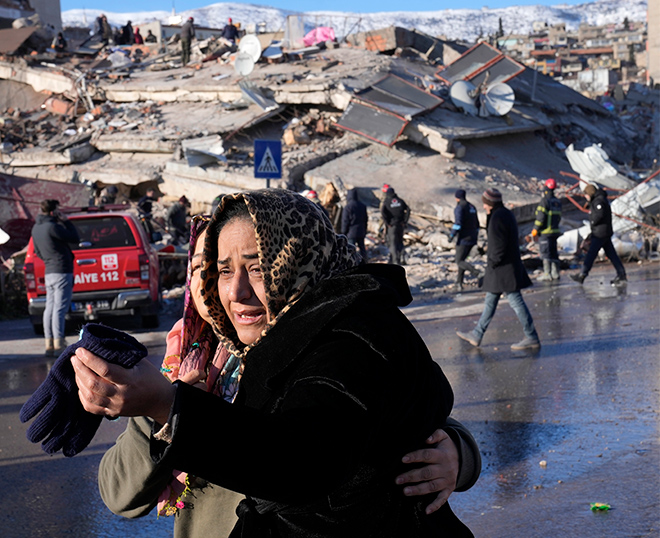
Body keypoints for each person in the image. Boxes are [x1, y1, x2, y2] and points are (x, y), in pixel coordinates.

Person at [74, 189, 475, 536]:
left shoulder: (333, 335)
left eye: (259, 268)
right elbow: (119, 496)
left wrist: (458, 453)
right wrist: (156, 411)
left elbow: (351, 426)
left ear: (294, 265)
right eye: (216, 269)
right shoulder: (184, 363)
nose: (234, 290)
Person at [456, 188, 540, 351]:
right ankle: (477, 334)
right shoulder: (504, 214)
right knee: (491, 300)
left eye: (485, 204)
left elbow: (499, 245)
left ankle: (531, 336)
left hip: (503, 268)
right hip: (505, 266)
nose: (484, 207)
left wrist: (492, 264)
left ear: (489, 203)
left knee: (515, 300)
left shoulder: (498, 217)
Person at [31, 199, 81, 357]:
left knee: (50, 308)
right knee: (59, 309)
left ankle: (49, 343)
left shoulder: (36, 228)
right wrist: (66, 222)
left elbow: (37, 252)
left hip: (49, 272)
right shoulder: (53, 227)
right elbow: (74, 238)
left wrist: (48, 259)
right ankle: (59, 342)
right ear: (53, 212)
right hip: (62, 270)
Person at [570, 183, 627, 286]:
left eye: (586, 194)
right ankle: (621, 274)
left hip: (600, 233)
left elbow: (599, 214)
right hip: (603, 232)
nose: (586, 197)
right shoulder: (599, 199)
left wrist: (592, 222)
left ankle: (582, 275)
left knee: (591, 254)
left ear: (590, 193)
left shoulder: (598, 201)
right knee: (611, 254)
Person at [530, 178, 562, 282]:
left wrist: (535, 229)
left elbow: (540, 218)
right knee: (553, 252)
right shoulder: (557, 202)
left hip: (545, 232)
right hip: (555, 232)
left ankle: (547, 274)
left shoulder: (544, 202)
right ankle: (555, 273)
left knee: (545, 253)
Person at [450, 189, 482, 292]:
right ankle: (459, 283)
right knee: (462, 260)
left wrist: (452, 235)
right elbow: (477, 224)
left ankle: (477, 273)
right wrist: (475, 235)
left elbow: (458, 223)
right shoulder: (472, 207)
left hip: (463, 238)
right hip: (472, 237)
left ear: (456, 198)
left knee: (459, 261)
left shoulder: (460, 207)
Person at [381, 184, 410, 265]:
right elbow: (408, 209)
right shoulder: (400, 201)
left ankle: (395, 261)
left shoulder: (387, 202)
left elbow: (383, 212)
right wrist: (404, 221)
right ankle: (403, 258)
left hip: (392, 226)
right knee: (400, 242)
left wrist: (387, 223)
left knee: (393, 244)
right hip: (400, 225)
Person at [341, 188, 368, 261]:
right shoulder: (362, 206)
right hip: (361, 231)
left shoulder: (348, 207)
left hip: (351, 233)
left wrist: (343, 232)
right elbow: (365, 219)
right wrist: (365, 230)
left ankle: (353, 264)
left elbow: (345, 221)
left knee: (351, 250)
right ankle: (365, 262)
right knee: (362, 249)